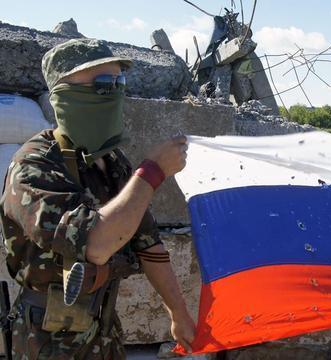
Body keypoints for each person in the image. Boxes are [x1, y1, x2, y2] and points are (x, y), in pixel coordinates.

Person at [0, 38, 195, 359]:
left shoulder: (112, 162)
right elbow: (96, 244)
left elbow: (148, 245)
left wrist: (179, 314)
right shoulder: (33, 166)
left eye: (120, 82)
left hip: (103, 330)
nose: (115, 92)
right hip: (48, 340)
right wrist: (152, 172)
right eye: (104, 83)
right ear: (63, 94)